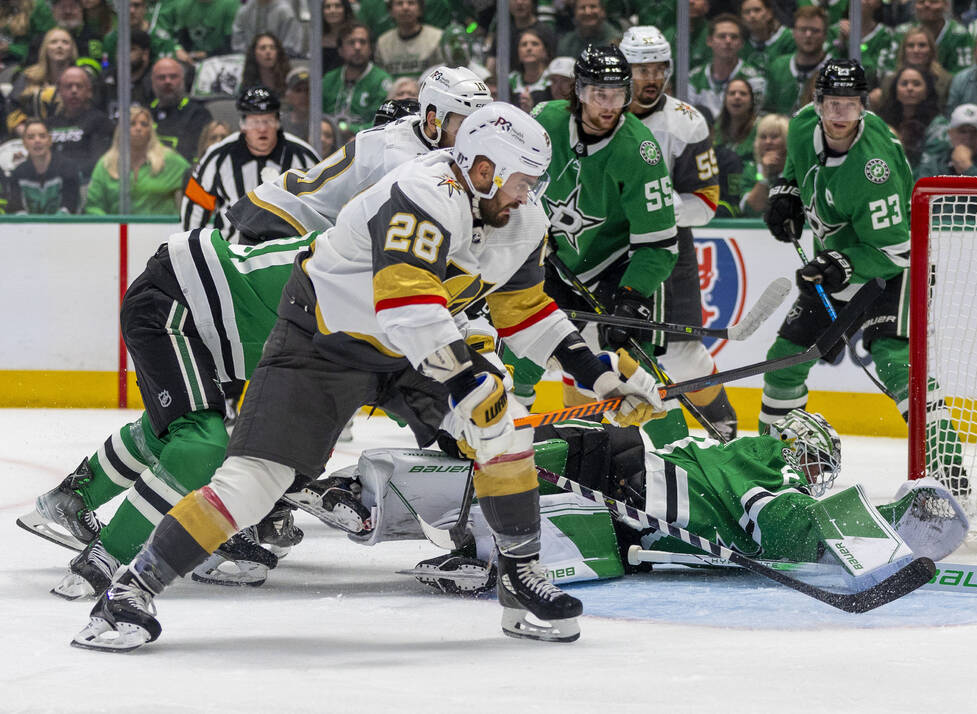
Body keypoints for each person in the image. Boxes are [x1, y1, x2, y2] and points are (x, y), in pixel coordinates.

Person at [71, 103, 665, 651]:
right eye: (520, 181)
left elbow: (526, 310)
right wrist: (466, 382)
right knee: (253, 482)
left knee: (502, 431)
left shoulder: (519, 218)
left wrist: (599, 376)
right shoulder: (422, 189)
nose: (528, 195)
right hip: (323, 339)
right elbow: (406, 304)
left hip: (413, 348)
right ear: (483, 168)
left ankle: (520, 580)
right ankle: (130, 591)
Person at [314, 411, 967, 593]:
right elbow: (784, 526)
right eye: (813, 460)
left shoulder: (746, 456)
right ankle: (469, 541)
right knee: (502, 480)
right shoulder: (760, 459)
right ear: (793, 448)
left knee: (509, 489)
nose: (811, 472)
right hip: (626, 479)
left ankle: (362, 497)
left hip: (622, 497)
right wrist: (882, 530)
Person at [18, 228, 317, 597]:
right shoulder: (361, 283)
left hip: (191, 308)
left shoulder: (366, 269)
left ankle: (74, 497)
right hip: (173, 303)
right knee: (200, 445)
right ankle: (106, 555)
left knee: (175, 428)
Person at [761, 59, 967, 490]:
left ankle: (949, 473)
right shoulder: (800, 126)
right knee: (784, 363)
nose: (840, 116)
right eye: (832, 104)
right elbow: (798, 170)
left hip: (891, 269)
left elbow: (897, 249)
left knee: (895, 361)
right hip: (836, 266)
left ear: (864, 106)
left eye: (850, 106)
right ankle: (768, 469)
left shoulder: (875, 168)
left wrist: (842, 264)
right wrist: (787, 192)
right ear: (816, 104)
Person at [518, 46, 678, 428]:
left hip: (619, 267)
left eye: (618, 95)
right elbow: (515, 184)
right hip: (554, 259)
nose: (609, 106)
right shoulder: (544, 121)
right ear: (578, 91)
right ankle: (504, 444)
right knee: (520, 349)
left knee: (633, 367)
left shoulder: (641, 151)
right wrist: (532, 228)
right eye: (598, 95)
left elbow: (659, 246)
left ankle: (675, 454)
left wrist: (631, 296)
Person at [619, 26, 739, 440]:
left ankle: (721, 425)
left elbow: (705, 205)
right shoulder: (600, 113)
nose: (650, 78)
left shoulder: (685, 122)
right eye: (640, 68)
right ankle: (588, 439)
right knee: (595, 349)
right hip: (604, 248)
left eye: (658, 68)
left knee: (682, 354)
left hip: (666, 249)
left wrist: (649, 209)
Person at [225, 65, 491, 244]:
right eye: (465, 126)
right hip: (283, 223)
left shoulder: (421, 129)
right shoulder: (401, 162)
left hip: (308, 226)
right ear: (433, 120)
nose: (475, 139)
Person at [181, 86, 320, 236]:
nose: (262, 129)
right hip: (233, 254)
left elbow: (322, 204)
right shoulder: (217, 157)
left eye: (268, 121)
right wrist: (194, 248)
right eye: (255, 122)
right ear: (243, 125)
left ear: (278, 122)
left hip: (289, 254)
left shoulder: (303, 156)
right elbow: (195, 208)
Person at [83, 105, 190, 215]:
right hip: (116, 230)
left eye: (144, 124)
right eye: (132, 124)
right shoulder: (106, 163)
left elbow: (196, 182)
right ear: (121, 130)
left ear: (150, 131)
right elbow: (93, 206)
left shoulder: (169, 160)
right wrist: (108, 226)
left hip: (160, 230)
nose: (138, 128)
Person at [687, 13, 766, 120]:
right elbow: (687, 119)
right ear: (709, 41)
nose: (728, 41)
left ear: (741, 43)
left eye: (734, 37)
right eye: (722, 36)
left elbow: (752, 119)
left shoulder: (754, 80)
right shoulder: (693, 78)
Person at [323, 21, 394, 134]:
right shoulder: (329, 79)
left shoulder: (382, 81)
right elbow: (317, 115)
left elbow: (383, 122)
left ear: (370, 49)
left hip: (366, 141)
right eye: (351, 42)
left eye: (363, 42)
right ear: (340, 50)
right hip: (328, 139)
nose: (357, 47)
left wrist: (351, 130)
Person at [5, 26, 76, 134]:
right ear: (45, 48)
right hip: (33, 137)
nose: (59, 46)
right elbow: (12, 107)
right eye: (53, 42)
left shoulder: (81, 78)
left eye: (65, 42)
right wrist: (22, 130)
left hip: (71, 135)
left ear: (72, 50)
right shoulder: (28, 76)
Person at [763, 6, 830, 116]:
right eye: (803, 29)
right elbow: (767, 110)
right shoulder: (778, 67)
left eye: (815, 30)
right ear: (793, 32)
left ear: (825, 35)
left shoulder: (834, 71)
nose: (808, 35)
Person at [45, 65, 113, 170]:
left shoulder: (100, 122)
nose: (74, 91)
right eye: (68, 86)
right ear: (59, 92)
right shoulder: (48, 124)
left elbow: (98, 162)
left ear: (89, 92)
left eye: (79, 86)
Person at [6, 118, 81, 214]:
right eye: (31, 137)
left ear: (50, 140)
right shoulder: (17, 174)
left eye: (42, 136)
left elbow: (69, 209)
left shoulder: (69, 168)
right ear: (24, 143)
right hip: (29, 228)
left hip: (63, 227)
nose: (37, 141)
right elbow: (17, 211)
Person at [869, 24, 951, 110]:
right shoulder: (890, 81)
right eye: (911, 46)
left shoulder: (945, 81)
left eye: (922, 45)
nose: (916, 50)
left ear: (931, 50)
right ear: (904, 50)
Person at [148, 57, 213, 162]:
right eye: (161, 77)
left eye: (173, 77)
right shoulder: (145, 113)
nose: (167, 81)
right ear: (152, 81)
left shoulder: (199, 115)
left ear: (183, 79)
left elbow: (201, 158)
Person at [916, 103, 977, 178]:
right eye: (962, 131)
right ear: (951, 134)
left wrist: (967, 168)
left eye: (974, 131)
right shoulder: (934, 165)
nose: (968, 137)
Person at [877, 65, 941, 168]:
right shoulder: (883, 121)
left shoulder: (937, 125)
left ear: (926, 92)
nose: (910, 88)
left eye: (916, 84)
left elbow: (932, 168)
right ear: (895, 91)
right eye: (904, 84)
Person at [713, 76, 758, 212]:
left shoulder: (760, 129)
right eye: (732, 93)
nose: (737, 97)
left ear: (751, 101)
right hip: (721, 193)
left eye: (743, 94)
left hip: (750, 188)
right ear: (725, 99)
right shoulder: (715, 129)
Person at [896, 0, 973, 75]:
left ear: (946, 5)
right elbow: (894, 68)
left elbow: (964, 73)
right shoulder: (902, 33)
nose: (926, 5)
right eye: (921, 2)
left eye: (933, 1)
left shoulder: (960, 35)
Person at [375, 0, 445, 79]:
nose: (405, 8)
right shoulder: (383, 43)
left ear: (420, 10)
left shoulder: (437, 38)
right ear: (391, 11)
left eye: (411, 3)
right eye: (399, 3)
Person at [739, 112, 787, 216]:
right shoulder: (751, 169)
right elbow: (752, 208)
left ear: (786, 141)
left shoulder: (796, 169)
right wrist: (764, 175)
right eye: (763, 137)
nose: (768, 141)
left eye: (774, 137)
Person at [172, 0, 239, 64]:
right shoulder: (183, 4)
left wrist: (206, 54)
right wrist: (178, 49)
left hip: (221, 57)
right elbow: (181, 39)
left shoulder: (230, 4)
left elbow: (231, 45)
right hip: (192, 58)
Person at [230, 0, 303, 59]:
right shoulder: (245, 10)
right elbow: (238, 42)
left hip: (278, 66)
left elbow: (290, 47)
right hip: (249, 64)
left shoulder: (285, 12)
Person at [739, 0, 794, 73]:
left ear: (769, 13)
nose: (752, 15)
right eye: (746, 12)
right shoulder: (740, 43)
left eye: (757, 10)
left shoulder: (789, 38)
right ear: (742, 18)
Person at [0, 0, 55, 68]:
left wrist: (10, 48)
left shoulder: (37, 6)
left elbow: (45, 42)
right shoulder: (5, 5)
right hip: (7, 58)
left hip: (29, 61)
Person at [509, 26, 553, 110]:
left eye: (535, 44)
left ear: (545, 51)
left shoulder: (553, 79)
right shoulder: (510, 80)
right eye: (524, 45)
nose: (529, 48)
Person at [319, 0, 354, 71]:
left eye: (337, 6)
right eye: (327, 7)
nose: (332, 10)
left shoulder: (355, 35)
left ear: (345, 10)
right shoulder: (316, 38)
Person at [279, 66, 310, 136]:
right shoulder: (279, 125)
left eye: (308, 90)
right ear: (287, 95)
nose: (304, 95)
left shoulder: (324, 124)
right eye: (298, 90)